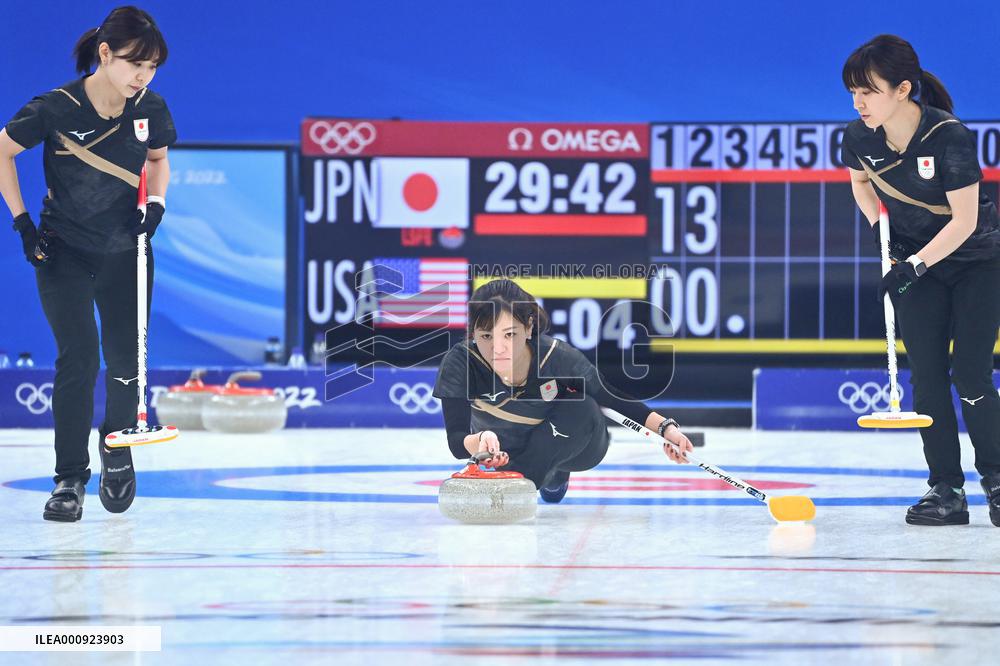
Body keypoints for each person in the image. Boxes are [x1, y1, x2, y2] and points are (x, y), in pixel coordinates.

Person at [0, 6, 175, 521]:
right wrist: (22, 222)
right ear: (105, 55)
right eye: (134, 64)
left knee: (125, 363)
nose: (142, 76)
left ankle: (116, 450)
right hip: (63, 251)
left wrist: (157, 204)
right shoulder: (55, 108)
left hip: (128, 252)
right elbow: (1, 152)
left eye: (152, 67)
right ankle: (69, 478)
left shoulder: (150, 109)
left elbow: (158, 161)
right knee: (77, 360)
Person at [842, 34, 1000, 526]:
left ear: (903, 89)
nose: (859, 102)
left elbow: (964, 222)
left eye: (868, 90)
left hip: (977, 262)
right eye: (853, 92)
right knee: (927, 380)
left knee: (970, 374)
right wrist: (878, 229)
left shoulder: (949, 137)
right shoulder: (858, 137)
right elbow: (860, 181)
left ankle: (996, 480)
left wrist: (913, 266)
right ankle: (946, 490)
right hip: (916, 263)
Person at [433, 279, 693, 503]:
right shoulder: (461, 363)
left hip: (576, 445)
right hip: (505, 450)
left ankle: (530, 480)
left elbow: (611, 397)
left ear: (528, 327)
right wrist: (479, 440)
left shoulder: (558, 357)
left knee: (583, 405)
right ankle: (541, 475)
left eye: (509, 334)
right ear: (473, 333)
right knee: (527, 456)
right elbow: (457, 441)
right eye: (486, 336)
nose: (498, 348)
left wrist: (666, 429)